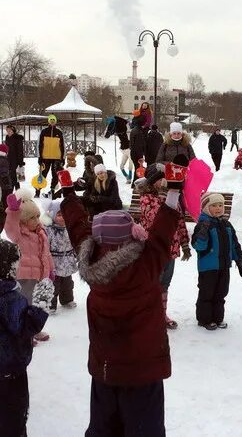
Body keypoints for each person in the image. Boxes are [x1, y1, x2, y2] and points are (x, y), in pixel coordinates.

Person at [59, 168, 183, 437]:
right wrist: (173, 190)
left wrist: (69, 195)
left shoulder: (90, 262)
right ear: (132, 234)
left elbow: (77, 228)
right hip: (143, 371)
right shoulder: (146, 264)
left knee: (104, 426)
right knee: (144, 429)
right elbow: (162, 232)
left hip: (105, 369)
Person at [0, 239, 50, 437]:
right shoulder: (10, 299)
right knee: (13, 420)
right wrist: (39, 307)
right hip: (10, 373)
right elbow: (24, 328)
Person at [137, 163, 191, 330]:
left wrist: (185, 244)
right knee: (152, 283)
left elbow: (180, 221)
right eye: (162, 180)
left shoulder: (173, 198)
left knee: (164, 284)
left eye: (167, 180)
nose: (165, 183)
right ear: (153, 182)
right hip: (153, 250)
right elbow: (156, 219)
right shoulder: (147, 199)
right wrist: (167, 198)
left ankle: (161, 314)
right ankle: (147, 315)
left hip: (171, 250)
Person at [4, 188, 54, 344]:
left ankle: (34, 329)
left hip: (39, 275)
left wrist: (51, 269)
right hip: (24, 277)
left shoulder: (41, 232)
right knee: (23, 305)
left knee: (35, 305)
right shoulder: (19, 234)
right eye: (32, 218)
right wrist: (13, 212)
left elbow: (47, 253)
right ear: (23, 221)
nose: (37, 220)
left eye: (38, 216)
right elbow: (10, 227)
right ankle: (24, 334)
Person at [192, 192, 242, 330]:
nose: (218, 208)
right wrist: (202, 233)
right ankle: (204, 319)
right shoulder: (203, 224)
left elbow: (234, 244)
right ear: (205, 208)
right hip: (208, 267)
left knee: (221, 293)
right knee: (207, 293)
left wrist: (239, 260)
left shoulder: (226, 224)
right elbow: (198, 246)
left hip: (223, 266)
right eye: (214, 205)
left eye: (221, 205)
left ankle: (217, 318)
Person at [41, 196, 78, 313]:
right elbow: (45, 247)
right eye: (59, 215)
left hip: (67, 261)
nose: (63, 218)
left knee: (68, 283)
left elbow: (74, 243)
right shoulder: (49, 230)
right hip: (54, 262)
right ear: (52, 216)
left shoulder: (70, 229)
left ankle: (67, 299)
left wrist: (76, 254)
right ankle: (51, 304)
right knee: (54, 284)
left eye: (65, 214)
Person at [35, 114, 65, 198]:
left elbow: (63, 146)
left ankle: (52, 190)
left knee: (55, 175)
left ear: (55, 122)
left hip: (57, 158)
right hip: (45, 157)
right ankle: (37, 191)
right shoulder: (44, 131)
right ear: (48, 121)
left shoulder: (59, 132)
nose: (52, 122)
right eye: (51, 120)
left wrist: (63, 158)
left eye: (53, 120)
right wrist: (39, 157)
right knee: (42, 175)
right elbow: (39, 145)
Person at [5, 124, 25, 191]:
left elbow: (20, 151)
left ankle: (16, 192)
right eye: (7, 130)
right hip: (8, 160)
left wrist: (20, 162)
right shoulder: (7, 137)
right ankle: (16, 193)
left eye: (10, 130)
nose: (8, 132)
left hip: (16, 160)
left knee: (15, 177)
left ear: (13, 130)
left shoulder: (17, 138)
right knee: (11, 177)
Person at [129, 115, 146, 186]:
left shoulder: (134, 130)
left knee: (137, 168)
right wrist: (140, 157)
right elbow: (138, 146)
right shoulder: (139, 132)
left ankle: (134, 183)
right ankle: (135, 184)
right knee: (138, 169)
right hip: (137, 153)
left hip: (133, 152)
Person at [0, 144, 12, 233]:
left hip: (3, 184)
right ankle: (5, 214)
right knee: (5, 199)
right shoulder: (3, 160)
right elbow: (4, 172)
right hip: (4, 184)